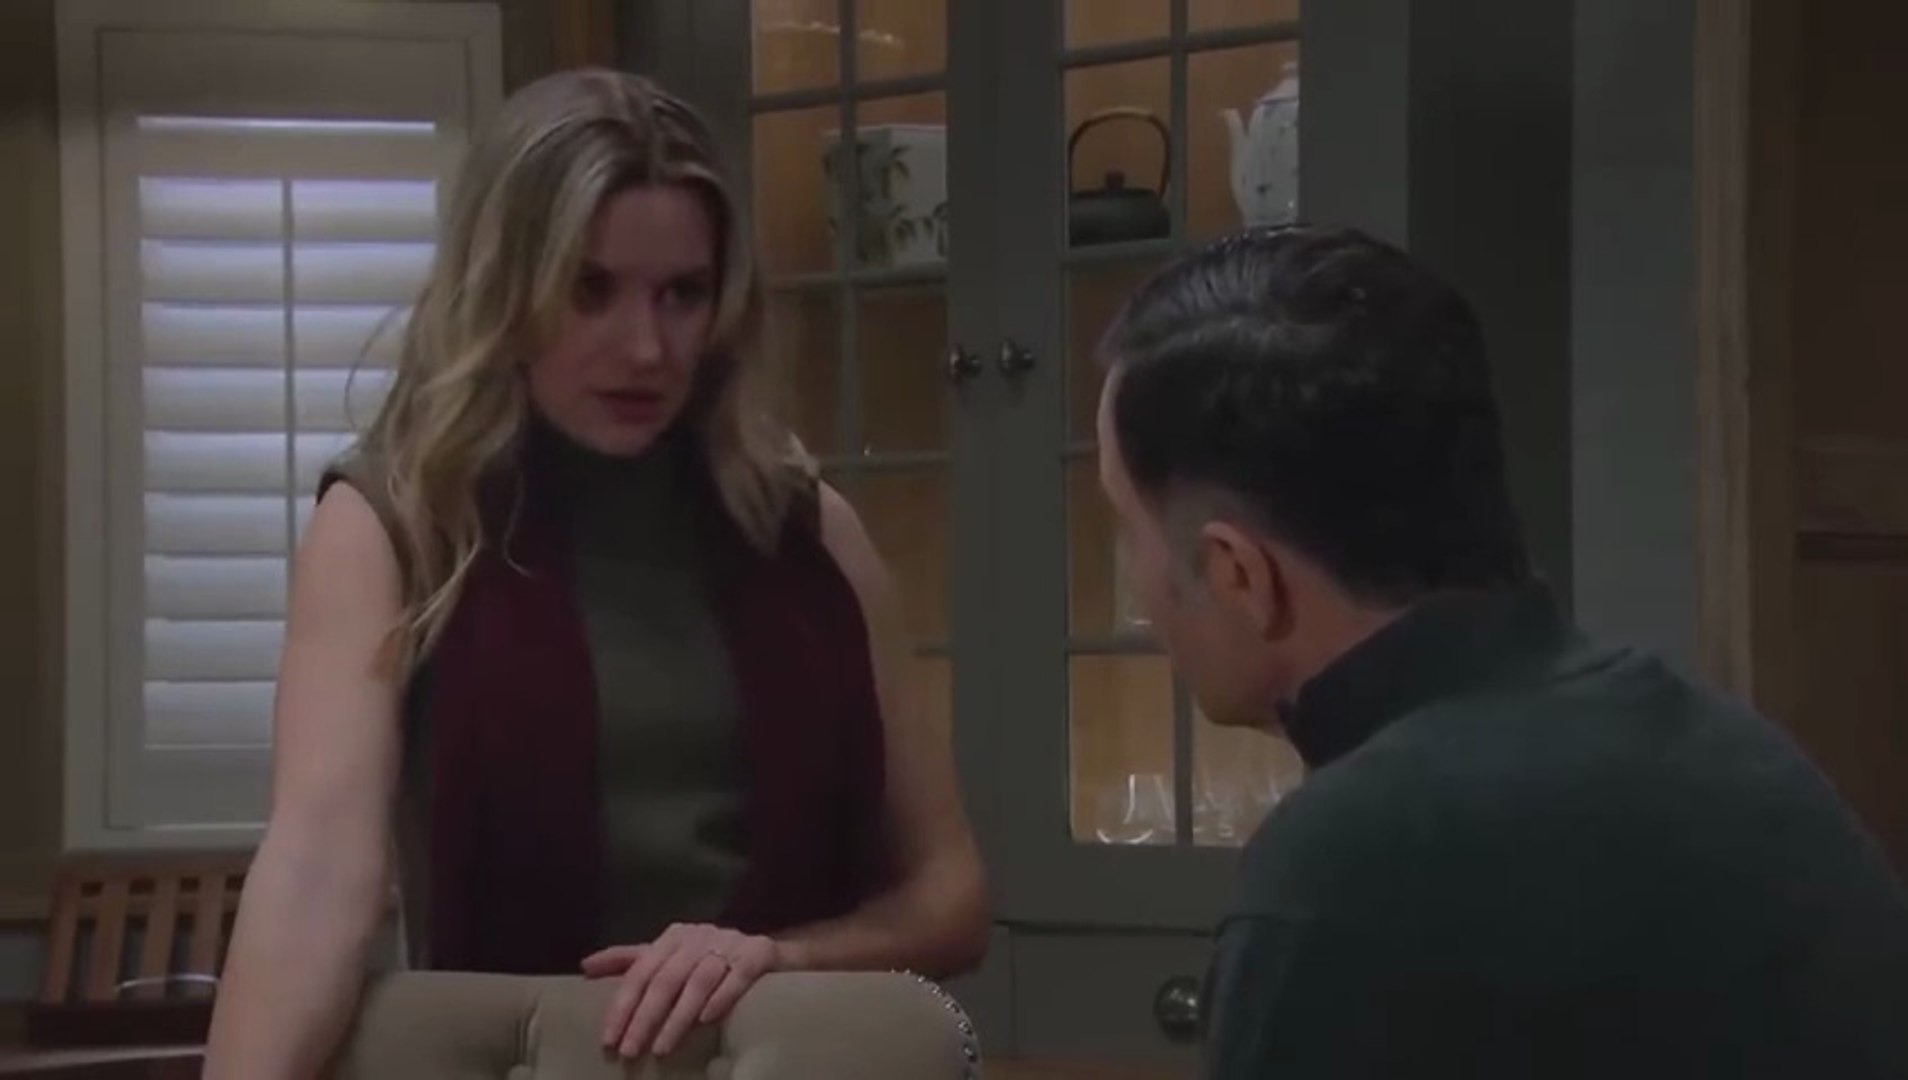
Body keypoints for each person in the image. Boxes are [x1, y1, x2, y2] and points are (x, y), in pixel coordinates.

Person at [204, 69, 990, 1079]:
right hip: (519, 1040)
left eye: (683, 295)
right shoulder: (394, 524)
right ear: (505, 290)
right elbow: (319, 867)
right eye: (591, 291)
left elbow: (949, 895)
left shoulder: (808, 532)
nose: (647, 347)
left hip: (781, 1042)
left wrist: (777, 956)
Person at [1093, 224, 1908, 1079]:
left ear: (1238, 574)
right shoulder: (1730, 754)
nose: (1139, 585)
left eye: (1127, 529)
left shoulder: (1355, 870)